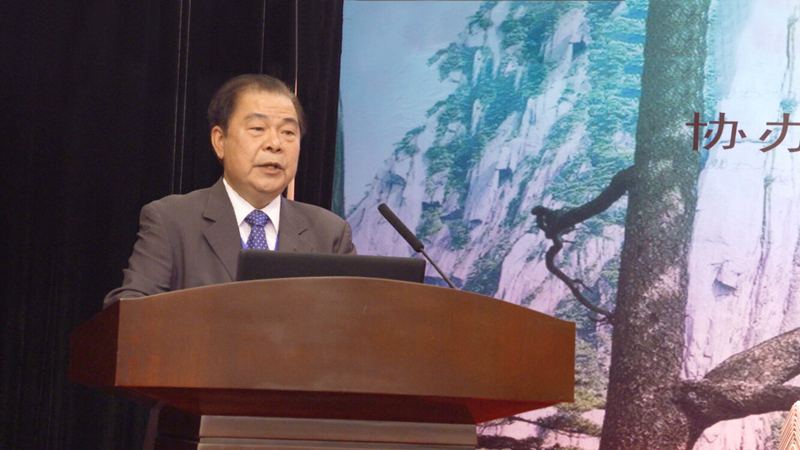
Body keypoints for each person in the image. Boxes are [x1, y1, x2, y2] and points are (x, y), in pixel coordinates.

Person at [104, 74, 355, 307]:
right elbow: (130, 312)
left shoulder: (329, 233)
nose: (275, 144)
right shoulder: (172, 221)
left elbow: (355, 319)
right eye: (258, 129)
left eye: (288, 132)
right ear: (220, 141)